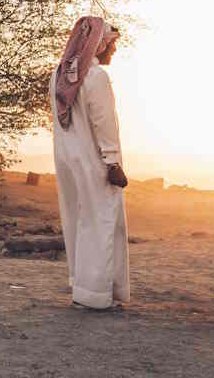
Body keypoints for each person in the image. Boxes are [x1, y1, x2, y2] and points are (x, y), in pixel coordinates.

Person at [50, 16, 129, 311]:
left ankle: (83, 290)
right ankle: (95, 295)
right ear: (98, 45)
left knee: (79, 222)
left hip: (68, 161)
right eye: (112, 45)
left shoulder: (59, 73)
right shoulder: (95, 77)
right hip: (94, 162)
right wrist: (113, 163)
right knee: (100, 224)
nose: (114, 51)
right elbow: (103, 124)